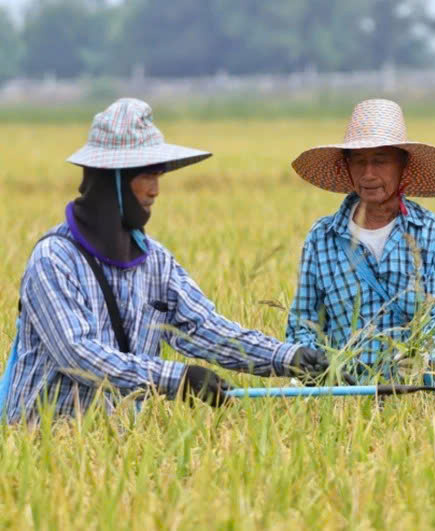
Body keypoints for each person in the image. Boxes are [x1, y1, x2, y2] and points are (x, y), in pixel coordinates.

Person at [0, 98, 329, 424]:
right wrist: (177, 379)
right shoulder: (55, 259)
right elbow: (79, 355)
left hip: (116, 447)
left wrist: (288, 357)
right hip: (42, 440)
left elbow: (205, 329)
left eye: (159, 175)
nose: (155, 190)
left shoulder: (155, 262)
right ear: (111, 179)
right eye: (146, 175)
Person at [287, 99, 435, 385]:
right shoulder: (322, 238)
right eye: (358, 161)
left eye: (380, 161)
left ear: (403, 165)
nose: (368, 174)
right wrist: (312, 367)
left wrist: (420, 354)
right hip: (344, 394)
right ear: (347, 167)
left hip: (418, 390)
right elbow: (303, 320)